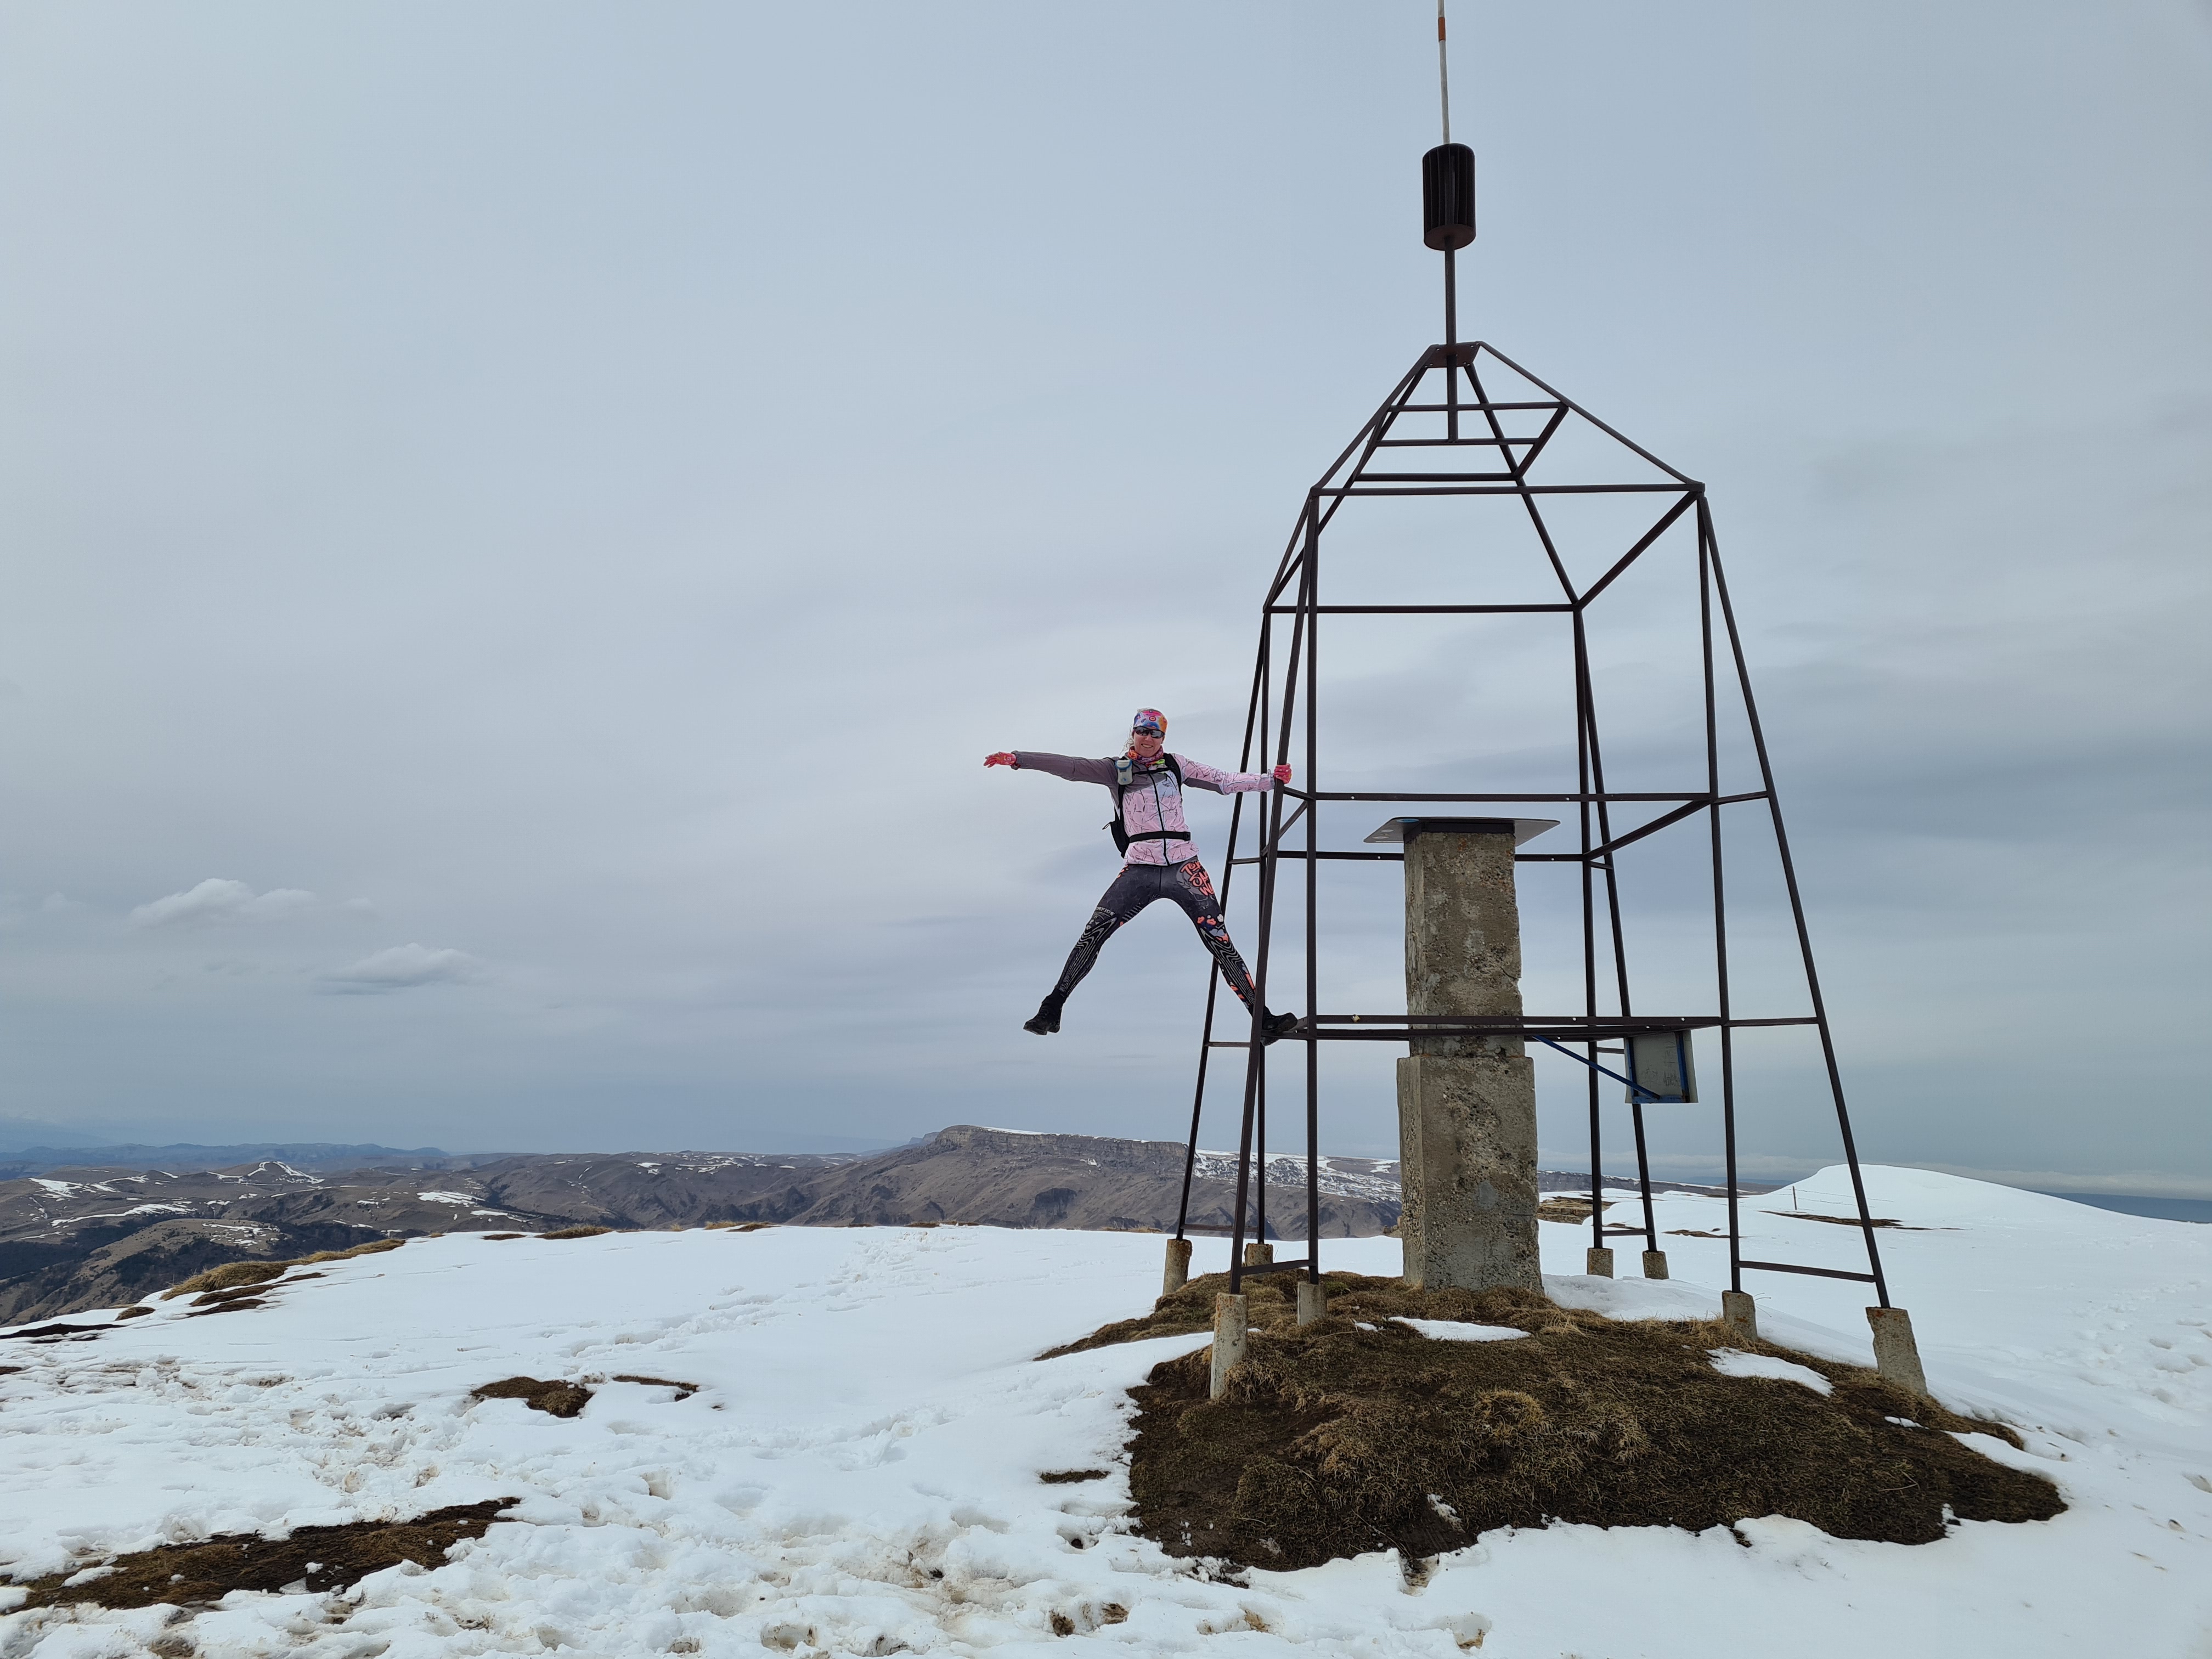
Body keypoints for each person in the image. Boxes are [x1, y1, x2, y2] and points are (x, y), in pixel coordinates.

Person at [984, 708, 1300, 1041]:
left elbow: (1223, 780)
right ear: (1133, 734)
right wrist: (1019, 759)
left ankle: (1263, 1019)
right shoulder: (1116, 769)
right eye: (1143, 732)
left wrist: (1270, 780)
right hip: (1139, 870)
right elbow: (1072, 767)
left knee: (1219, 941)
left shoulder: (1176, 765)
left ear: (1163, 738)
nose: (1148, 739)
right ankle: (1051, 1009)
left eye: (1155, 734)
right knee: (1093, 934)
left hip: (1184, 868)